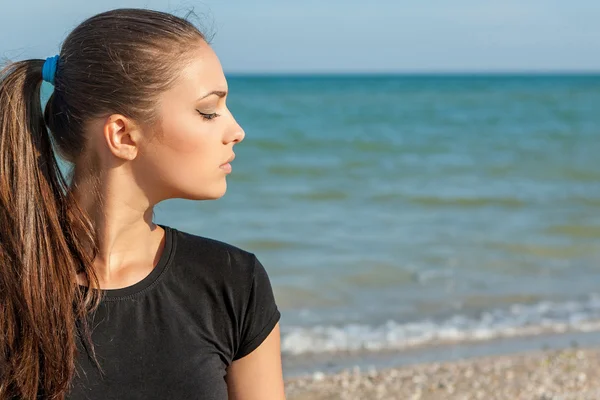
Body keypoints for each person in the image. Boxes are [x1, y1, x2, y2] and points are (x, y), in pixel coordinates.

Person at [0, 8, 285, 400]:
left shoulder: (233, 283)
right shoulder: (10, 282)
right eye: (208, 111)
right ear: (122, 135)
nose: (236, 130)